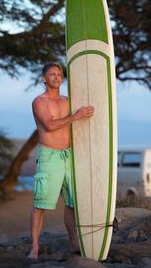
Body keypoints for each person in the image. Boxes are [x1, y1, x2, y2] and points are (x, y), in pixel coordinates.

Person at [28, 62, 95, 259]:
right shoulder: (39, 101)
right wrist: (76, 116)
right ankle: (34, 248)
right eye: (52, 74)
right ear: (44, 79)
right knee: (41, 204)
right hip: (50, 156)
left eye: (59, 74)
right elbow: (49, 125)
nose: (57, 77)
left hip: (70, 155)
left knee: (73, 203)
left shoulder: (68, 101)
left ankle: (75, 244)